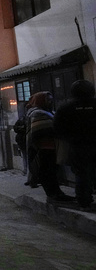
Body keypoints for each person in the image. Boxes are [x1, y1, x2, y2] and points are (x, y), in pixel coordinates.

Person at [54, 80, 96, 209]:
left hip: (77, 147)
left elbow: (58, 130)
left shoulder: (65, 108)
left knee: (81, 174)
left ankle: (84, 200)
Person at [27, 91, 72, 202]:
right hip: (44, 148)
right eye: (48, 100)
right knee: (47, 172)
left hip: (51, 147)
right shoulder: (37, 113)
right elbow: (42, 130)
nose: (50, 102)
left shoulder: (47, 112)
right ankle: (53, 194)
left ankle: (56, 193)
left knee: (51, 172)